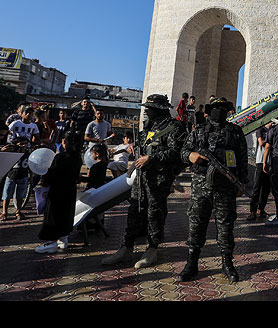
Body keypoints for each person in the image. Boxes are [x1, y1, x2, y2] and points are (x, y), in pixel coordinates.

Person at [101, 94, 187, 269]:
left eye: (150, 108)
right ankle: (127, 248)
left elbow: (176, 152)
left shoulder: (174, 127)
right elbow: (141, 141)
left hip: (159, 178)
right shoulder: (150, 126)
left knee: (154, 213)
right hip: (141, 178)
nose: (146, 111)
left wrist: (151, 157)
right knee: (134, 211)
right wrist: (133, 146)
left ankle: (152, 249)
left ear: (159, 110)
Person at [177, 97, 248, 282]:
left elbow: (241, 159)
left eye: (224, 108)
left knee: (226, 227)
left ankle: (227, 263)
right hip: (201, 186)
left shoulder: (235, 131)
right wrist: (191, 155)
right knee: (196, 225)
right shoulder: (199, 130)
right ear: (211, 109)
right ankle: (191, 263)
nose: (220, 111)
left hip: (225, 188)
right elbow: (183, 151)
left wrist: (242, 182)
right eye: (217, 108)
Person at [34, 131, 83, 253]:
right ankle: (63, 238)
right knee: (66, 213)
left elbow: (52, 174)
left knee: (53, 215)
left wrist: (44, 181)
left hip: (57, 191)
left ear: (65, 142)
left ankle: (51, 242)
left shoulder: (60, 157)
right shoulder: (78, 158)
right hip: (70, 190)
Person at [247, 122, 272, 221]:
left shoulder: (273, 130)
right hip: (260, 161)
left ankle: (261, 208)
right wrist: (270, 143)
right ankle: (252, 210)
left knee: (266, 188)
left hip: (270, 161)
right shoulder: (261, 130)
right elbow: (261, 143)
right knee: (257, 187)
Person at [1, 137, 30, 221]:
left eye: (25, 143)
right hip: (11, 176)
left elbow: (30, 166)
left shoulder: (28, 153)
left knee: (20, 196)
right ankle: (4, 212)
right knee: (6, 195)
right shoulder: (12, 153)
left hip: (23, 176)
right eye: (21, 144)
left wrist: (30, 178)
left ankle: (18, 211)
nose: (24, 145)